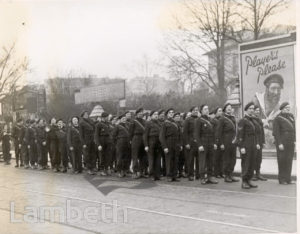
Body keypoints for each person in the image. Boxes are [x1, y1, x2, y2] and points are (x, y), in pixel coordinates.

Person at [237, 102, 259, 189]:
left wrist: (256, 143)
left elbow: (255, 133)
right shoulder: (243, 121)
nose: (252, 110)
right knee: (246, 163)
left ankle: (249, 179)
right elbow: (240, 135)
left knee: (252, 163)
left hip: (253, 144)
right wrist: (241, 146)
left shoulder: (253, 120)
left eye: (253, 109)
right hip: (246, 145)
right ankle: (244, 181)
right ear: (246, 110)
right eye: (250, 108)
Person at [194, 105, 218, 185]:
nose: (207, 110)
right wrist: (199, 145)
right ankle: (202, 177)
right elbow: (196, 134)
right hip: (203, 143)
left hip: (210, 142)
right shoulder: (198, 120)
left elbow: (213, 133)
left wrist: (214, 143)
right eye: (205, 109)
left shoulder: (210, 120)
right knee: (203, 161)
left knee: (211, 160)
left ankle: (210, 176)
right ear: (201, 111)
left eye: (208, 109)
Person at [273, 102, 295, 185]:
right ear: (282, 109)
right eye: (286, 108)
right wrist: (279, 143)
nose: (288, 109)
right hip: (282, 141)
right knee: (282, 160)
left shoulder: (291, 117)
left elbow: (294, 130)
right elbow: (276, 132)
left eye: (289, 108)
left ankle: (288, 178)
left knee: (289, 160)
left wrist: (295, 140)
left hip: (290, 141)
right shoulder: (278, 118)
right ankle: (282, 179)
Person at [217, 104, 239, 183]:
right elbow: (219, 132)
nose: (229, 109)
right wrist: (221, 143)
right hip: (226, 141)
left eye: (230, 108)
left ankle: (231, 174)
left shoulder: (233, 118)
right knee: (227, 159)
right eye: (228, 108)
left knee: (233, 159)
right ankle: (226, 175)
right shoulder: (222, 119)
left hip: (234, 141)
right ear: (225, 109)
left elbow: (236, 130)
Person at [159, 109, 182, 182]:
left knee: (176, 159)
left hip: (176, 143)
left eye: (172, 112)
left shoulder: (176, 123)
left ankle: (174, 176)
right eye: (170, 113)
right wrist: (165, 147)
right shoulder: (165, 123)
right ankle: (169, 175)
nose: (171, 114)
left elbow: (180, 135)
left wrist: (180, 144)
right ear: (167, 114)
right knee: (169, 160)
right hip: (168, 142)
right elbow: (162, 136)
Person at [144, 110, 162, 181]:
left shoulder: (160, 123)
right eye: (154, 114)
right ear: (151, 116)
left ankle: (157, 175)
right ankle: (151, 175)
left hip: (158, 143)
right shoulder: (148, 123)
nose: (156, 115)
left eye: (157, 114)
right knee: (151, 160)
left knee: (158, 160)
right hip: (151, 142)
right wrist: (146, 145)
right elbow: (145, 135)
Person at [129, 108, 147, 179]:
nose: (141, 114)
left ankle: (141, 172)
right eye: (139, 113)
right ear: (136, 114)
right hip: (136, 138)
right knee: (135, 156)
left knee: (143, 156)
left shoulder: (145, 121)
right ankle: (135, 172)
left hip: (143, 139)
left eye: (142, 113)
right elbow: (130, 132)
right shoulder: (133, 121)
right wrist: (130, 140)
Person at [183, 106, 200, 181]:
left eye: (197, 110)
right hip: (190, 142)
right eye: (194, 110)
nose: (196, 111)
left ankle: (198, 175)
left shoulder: (200, 119)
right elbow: (185, 133)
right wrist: (187, 143)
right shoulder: (188, 120)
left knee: (199, 159)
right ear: (191, 111)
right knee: (190, 160)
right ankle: (190, 175)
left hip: (198, 143)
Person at [252, 106, 267, 181]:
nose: (257, 112)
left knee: (259, 158)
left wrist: (263, 141)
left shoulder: (259, 120)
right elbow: (253, 133)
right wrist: (256, 142)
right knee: (253, 158)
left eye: (258, 110)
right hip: (254, 142)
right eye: (256, 110)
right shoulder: (251, 120)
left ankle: (258, 173)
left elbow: (262, 132)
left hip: (260, 142)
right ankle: (252, 174)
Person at [95, 112, 112, 176]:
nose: (108, 118)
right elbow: (96, 135)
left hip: (108, 141)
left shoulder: (108, 123)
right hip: (101, 140)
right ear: (103, 117)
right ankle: (102, 170)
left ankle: (106, 168)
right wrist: (98, 144)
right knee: (101, 156)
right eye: (107, 117)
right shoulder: (98, 124)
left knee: (108, 156)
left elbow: (110, 133)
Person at [79, 111, 96, 175]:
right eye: (85, 114)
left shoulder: (91, 121)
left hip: (92, 140)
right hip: (86, 141)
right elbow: (81, 134)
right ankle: (89, 168)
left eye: (87, 114)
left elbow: (94, 129)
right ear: (83, 115)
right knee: (87, 155)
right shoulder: (81, 122)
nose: (87, 115)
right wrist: (83, 143)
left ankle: (92, 167)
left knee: (93, 154)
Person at [211, 107, 223, 179]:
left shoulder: (222, 120)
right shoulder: (213, 121)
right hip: (216, 141)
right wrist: (214, 142)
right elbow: (212, 132)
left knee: (221, 158)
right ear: (215, 112)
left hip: (221, 141)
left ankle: (221, 172)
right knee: (216, 158)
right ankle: (216, 173)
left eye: (221, 111)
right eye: (219, 111)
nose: (220, 112)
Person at [158, 109, 166, 176]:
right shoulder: (157, 122)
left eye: (163, 115)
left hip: (165, 142)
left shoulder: (166, 122)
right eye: (161, 115)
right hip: (158, 142)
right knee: (158, 158)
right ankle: (159, 171)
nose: (162, 116)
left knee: (165, 157)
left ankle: (164, 171)